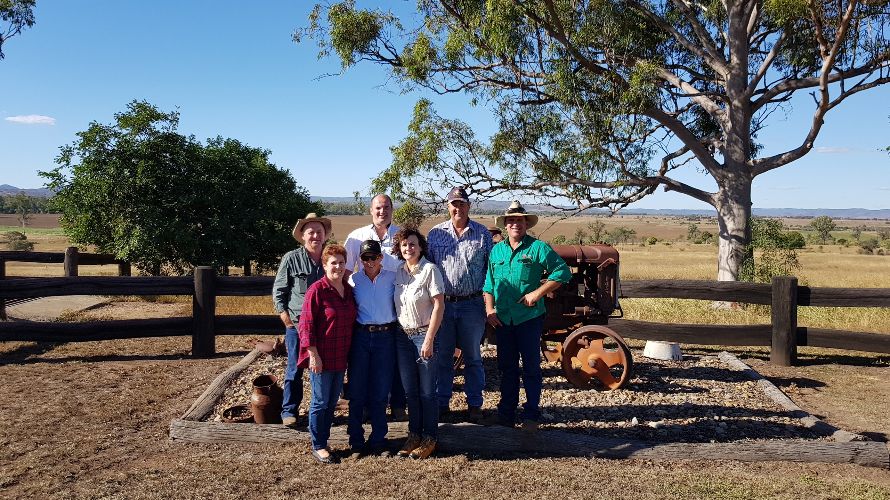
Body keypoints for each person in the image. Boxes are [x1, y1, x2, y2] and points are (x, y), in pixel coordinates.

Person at [482, 201, 571, 431]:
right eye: (511, 220)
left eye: (519, 220)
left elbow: (562, 271)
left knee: (531, 367)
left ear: (526, 224)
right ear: (505, 225)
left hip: (529, 319)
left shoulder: (538, 248)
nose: (515, 224)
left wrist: (538, 292)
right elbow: (489, 284)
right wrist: (489, 310)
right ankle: (506, 415)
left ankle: (531, 415)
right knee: (507, 368)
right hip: (503, 319)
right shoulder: (497, 250)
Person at [427, 187, 493, 422]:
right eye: (454, 204)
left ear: (469, 206)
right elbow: (428, 270)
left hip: (472, 305)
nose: (458, 208)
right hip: (443, 306)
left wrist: (488, 305)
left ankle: (474, 404)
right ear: (448, 206)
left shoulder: (482, 233)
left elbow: (491, 271)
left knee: (473, 357)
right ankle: (442, 403)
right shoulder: (435, 234)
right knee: (443, 357)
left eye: (462, 204)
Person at [343, 193, 406, 420]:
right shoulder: (356, 237)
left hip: (398, 307)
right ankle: (368, 410)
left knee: (396, 362)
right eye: (378, 207)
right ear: (371, 210)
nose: (382, 211)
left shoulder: (401, 237)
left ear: (392, 209)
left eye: (386, 207)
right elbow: (346, 272)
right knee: (363, 366)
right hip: (366, 307)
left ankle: (398, 406)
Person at [298, 244, 357, 464]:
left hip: (341, 354)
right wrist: (313, 354)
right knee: (320, 402)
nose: (338, 267)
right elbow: (306, 325)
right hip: (322, 355)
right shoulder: (317, 290)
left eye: (342, 263)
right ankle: (318, 445)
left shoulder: (348, 289)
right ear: (324, 265)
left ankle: (324, 439)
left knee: (332, 401)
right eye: (333, 263)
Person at [272, 213, 331, 427]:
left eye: (319, 232)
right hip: (297, 325)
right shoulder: (291, 258)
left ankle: (322, 409)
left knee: (323, 368)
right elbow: (279, 289)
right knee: (294, 369)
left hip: (324, 326)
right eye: (311, 232)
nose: (315, 235)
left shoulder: (328, 259)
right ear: (303, 236)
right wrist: (284, 317)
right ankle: (289, 411)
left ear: (325, 235)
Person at [392, 227, 445, 459]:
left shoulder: (430, 270)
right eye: (404, 245)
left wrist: (430, 339)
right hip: (402, 336)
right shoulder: (398, 273)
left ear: (420, 246)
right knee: (410, 391)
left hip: (424, 335)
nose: (408, 248)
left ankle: (430, 438)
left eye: (412, 244)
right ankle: (414, 434)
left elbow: (439, 305)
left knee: (427, 392)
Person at [345, 240, 398, 458]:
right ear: (360, 260)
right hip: (361, 336)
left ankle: (379, 440)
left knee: (380, 391)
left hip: (386, 336)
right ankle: (356, 441)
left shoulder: (392, 278)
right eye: (365, 258)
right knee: (356, 390)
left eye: (373, 257)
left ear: (381, 258)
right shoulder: (353, 281)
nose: (369, 262)